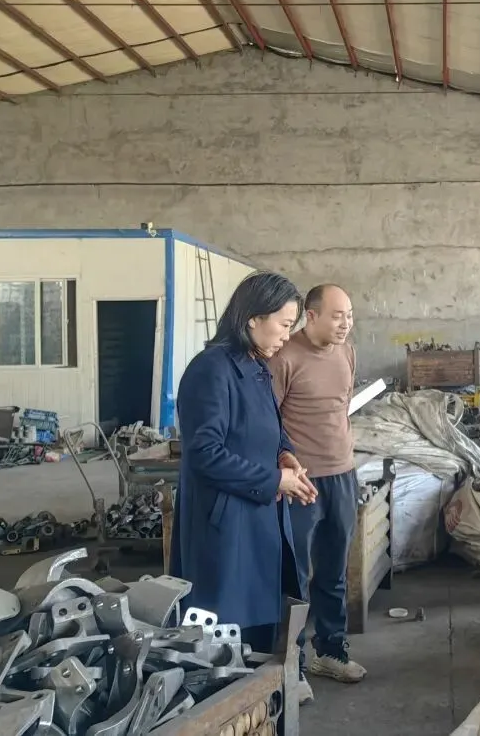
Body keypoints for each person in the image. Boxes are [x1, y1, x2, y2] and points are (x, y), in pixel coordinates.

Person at [170, 270, 319, 703]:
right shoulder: (211, 370)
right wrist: (274, 480)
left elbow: (267, 426)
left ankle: (260, 707)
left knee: (261, 625)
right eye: (284, 324)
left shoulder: (255, 367)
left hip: (258, 518)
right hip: (226, 526)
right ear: (253, 318)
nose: (287, 336)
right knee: (225, 632)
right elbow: (205, 453)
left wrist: (284, 454)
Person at [270, 284, 367, 688]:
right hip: (300, 482)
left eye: (349, 315)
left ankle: (331, 652)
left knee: (333, 570)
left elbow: (340, 410)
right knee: (294, 575)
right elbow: (269, 422)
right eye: (337, 315)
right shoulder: (284, 357)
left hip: (342, 476)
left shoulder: (347, 353)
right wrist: (283, 469)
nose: (346, 324)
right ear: (311, 316)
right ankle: (292, 667)